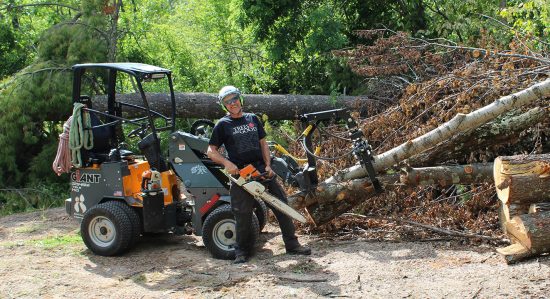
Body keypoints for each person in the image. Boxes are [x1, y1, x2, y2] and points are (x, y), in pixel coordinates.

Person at [207, 85, 311, 264]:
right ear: (224, 105)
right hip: (241, 175)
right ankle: (241, 252)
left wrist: (269, 164)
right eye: (228, 101)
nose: (233, 103)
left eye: (234, 99)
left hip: (262, 170)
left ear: (240, 99)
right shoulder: (223, 125)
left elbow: (263, 143)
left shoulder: (252, 119)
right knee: (242, 214)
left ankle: (292, 245)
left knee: (281, 206)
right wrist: (227, 163)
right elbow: (211, 150)